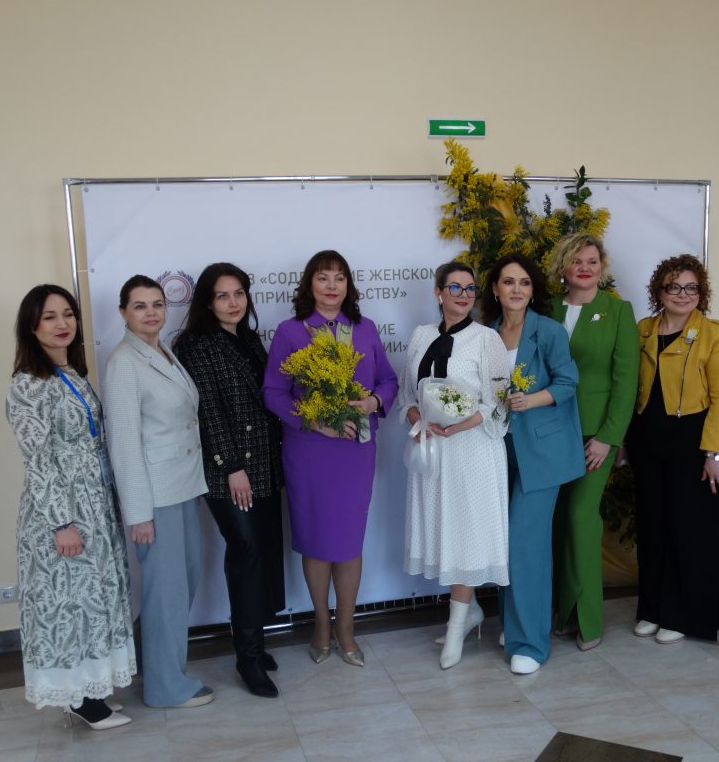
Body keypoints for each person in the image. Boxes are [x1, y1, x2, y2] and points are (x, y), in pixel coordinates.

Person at [6, 284, 135, 730]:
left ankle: (90, 690)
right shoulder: (28, 385)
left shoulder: (72, 374)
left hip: (94, 504)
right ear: (31, 326)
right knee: (69, 603)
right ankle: (80, 699)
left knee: (93, 599)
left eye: (68, 314)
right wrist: (61, 523)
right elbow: (38, 460)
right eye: (49, 317)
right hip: (62, 510)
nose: (62, 324)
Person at [263, 250, 398, 667]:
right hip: (310, 450)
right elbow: (273, 392)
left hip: (355, 451)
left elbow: (388, 380)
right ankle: (321, 624)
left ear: (348, 286)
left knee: (348, 541)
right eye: (323, 277)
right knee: (317, 541)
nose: (332, 285)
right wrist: (313, 422)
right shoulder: (291, 332)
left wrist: (373, 401)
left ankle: (346, 628)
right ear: (310, 284)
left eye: (339, 278)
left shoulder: (365, 328)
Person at [102, 275, 213, 709]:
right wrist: (138, 514)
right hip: (155, 496)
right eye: (140, 306)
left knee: (181, 583)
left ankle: (149, 663)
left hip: (183, 485)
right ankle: (167, 687)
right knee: (166, 592)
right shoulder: (123, 362)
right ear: (123, 312)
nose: (151, 313)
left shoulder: (161, 350)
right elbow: (124, 444)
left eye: (157, 304)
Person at [174, 263, 285, 695]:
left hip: (265, 465)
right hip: (230, 472)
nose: (233, 302)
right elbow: (207, 412)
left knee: (262, 552)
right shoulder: (195, 346)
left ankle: (254, 642)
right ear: (207, 301)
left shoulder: (250, 339)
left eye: (239, 293)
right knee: (246, 552)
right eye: (223, 295)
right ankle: (248, 659)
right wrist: (232, 467)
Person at [398, 261, 511, 670]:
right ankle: (471, 612)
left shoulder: (487, 339)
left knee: (465, 533)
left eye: (470, 289)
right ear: (438, 292)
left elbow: (500, 403)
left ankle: (456, 627)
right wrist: (418, 418)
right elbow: (407, 394)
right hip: (434, 449)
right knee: (446, 529)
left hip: (472, 450)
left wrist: (459, 425)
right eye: (455, 287)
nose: (463, 295)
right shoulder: (421, 335)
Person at [483, 254, 585, 674]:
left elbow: (568, 381)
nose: (517, 289)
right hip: (496, 448)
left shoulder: (549, 330)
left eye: (524, 282)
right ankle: (514, 624)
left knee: (526, 545)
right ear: (495, 289)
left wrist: (531, 399)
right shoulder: (486, 334)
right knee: (504, 541)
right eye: (508, 282)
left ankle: (530, 643)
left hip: (542, 453)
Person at [627, 255, 719, 643]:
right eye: (674, 286)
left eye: (691, 287)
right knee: (652, 526)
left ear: (701, 292)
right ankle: (652, 608)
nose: (682, 294)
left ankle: (681, 615)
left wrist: (715, 453)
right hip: (647, 440)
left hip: (692, 441)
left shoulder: (714, 334)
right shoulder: (643, 330)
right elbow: (629, 388)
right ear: (659, 291)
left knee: (687, 529)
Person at [546, 234, 639, 652]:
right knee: (558, 522)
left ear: (602, 267)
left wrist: (609, 438)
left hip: (594, 435)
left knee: (581, 519)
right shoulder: (546, 310)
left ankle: (589, 620)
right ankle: (564, 612)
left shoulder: (618, 311)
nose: (585, 268)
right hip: (550, 432)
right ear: (562, 268)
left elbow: (626, 381)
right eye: (576, 261)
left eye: (592, 261)